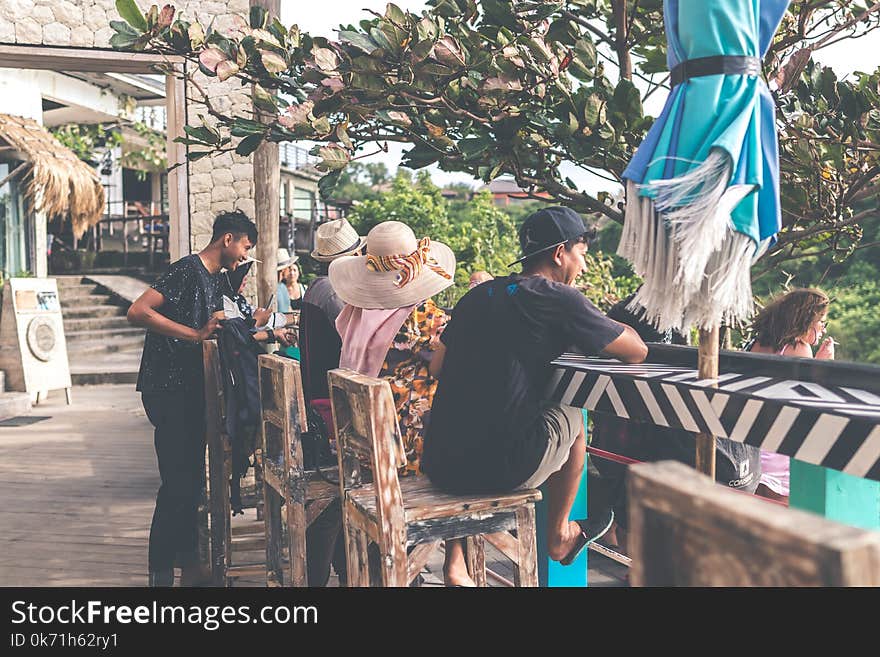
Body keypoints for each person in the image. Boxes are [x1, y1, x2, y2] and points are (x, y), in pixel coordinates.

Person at [422, 206, 648, 567]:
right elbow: (637, 351)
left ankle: (457, 563)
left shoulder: (478, 295)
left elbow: (436, 367)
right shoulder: (559, 298)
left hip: (441, 463)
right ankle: (558, 535)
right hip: (499, 471)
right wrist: (597, 318)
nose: (584, 267)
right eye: (582, 255)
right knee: (575, 406)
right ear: (561, 253)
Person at [329, 220, 473, 585]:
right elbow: (449, 359)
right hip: (408, 452)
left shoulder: (355, 315)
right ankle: (456, 564)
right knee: (472, 457)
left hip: (368, 448)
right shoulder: (419, 315)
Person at [127, 210, 257, 587]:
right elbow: (138, 310)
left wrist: (235, 291)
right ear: (227, 239)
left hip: (189, 389)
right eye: (244, 247)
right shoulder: (187, 269)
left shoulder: (214, 278)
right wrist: (194, 335)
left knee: (191, 484)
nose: (244, 255)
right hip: (169, 389)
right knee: (177, 484)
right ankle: (161, 573)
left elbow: (223, 325)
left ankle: (188, 565)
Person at [298, 217, 366, 587]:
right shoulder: (331, 289)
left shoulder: (317, 286)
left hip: (318, 403)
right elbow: (357, 341)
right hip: (329, 414)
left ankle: (349, 569)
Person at [746, 288, 835, 503]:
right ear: (806, 320)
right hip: (780, 444)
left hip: (754, 439)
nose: (823, 328)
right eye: (821, 321)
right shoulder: (798, 348)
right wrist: (822, 366)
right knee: (780, 510)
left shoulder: (758, 344)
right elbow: (808, 399)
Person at [275, 248, 298, 313]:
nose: (289, 270)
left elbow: (288, 309)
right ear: (283, 270)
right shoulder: (275, 288)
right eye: (289, 268)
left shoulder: (282, 286)